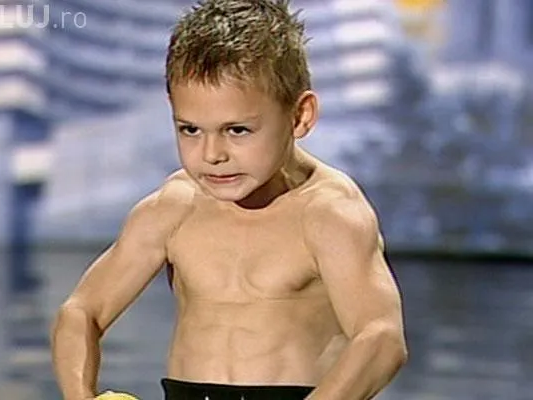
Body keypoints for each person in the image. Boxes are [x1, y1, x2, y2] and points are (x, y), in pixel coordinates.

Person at [51, 0, 408, 399]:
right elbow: (81, 311)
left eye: (237, 130)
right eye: (190, 130)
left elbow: (381, 337)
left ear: (300, 116)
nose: (211, 154)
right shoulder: (174, 208)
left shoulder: (329, 213)